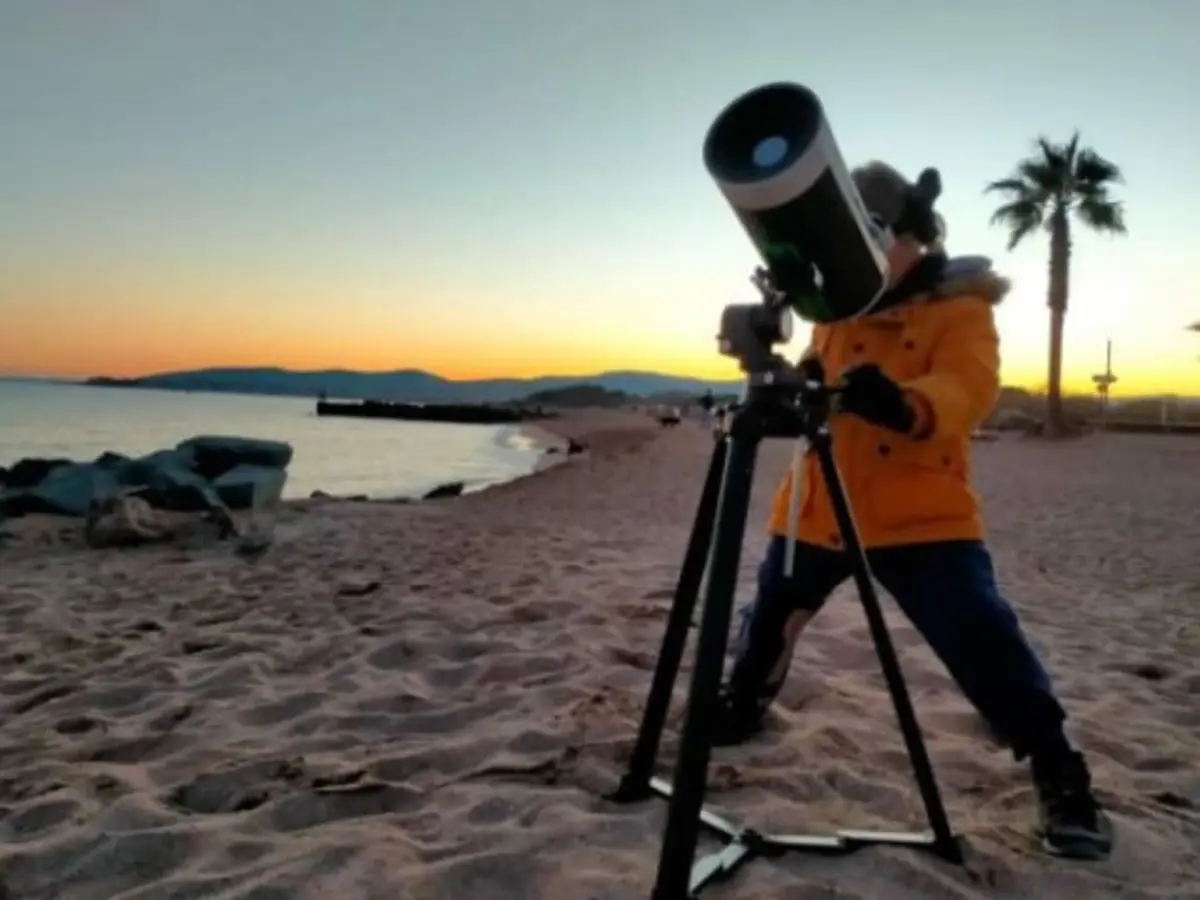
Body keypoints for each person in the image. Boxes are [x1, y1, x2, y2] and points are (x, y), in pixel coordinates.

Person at [714, 161, 1113, 860]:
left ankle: (1057, 768)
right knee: (772, 610)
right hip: (819, 501)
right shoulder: (834, 307)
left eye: (872, 233)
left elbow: (967, 387)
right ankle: (745, 700)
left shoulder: (962, 308)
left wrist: (905, 403)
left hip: (920, 513)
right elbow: (820, 370)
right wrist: (802, 381)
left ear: (911, 236)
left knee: (982, 634)